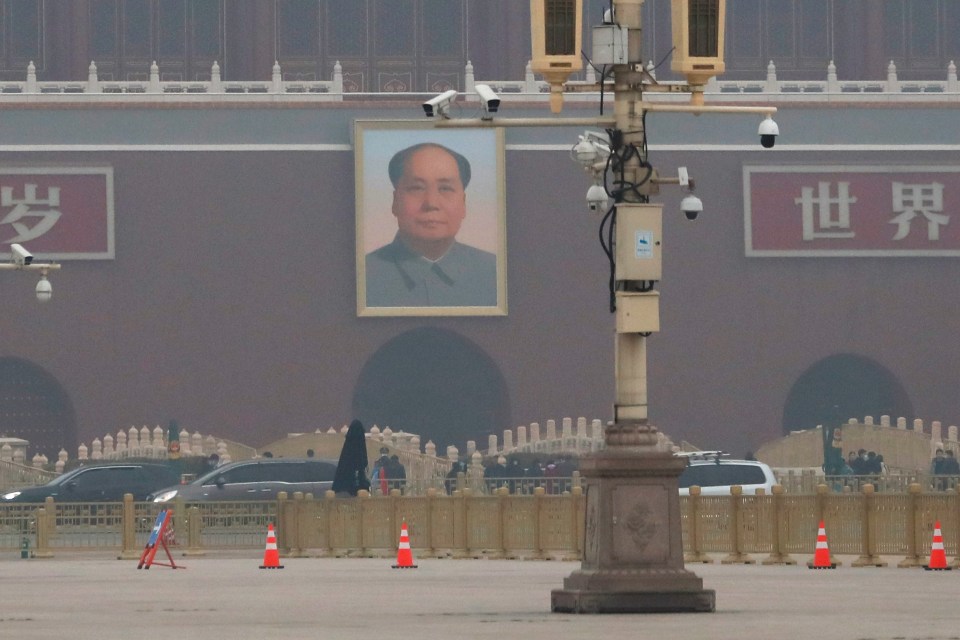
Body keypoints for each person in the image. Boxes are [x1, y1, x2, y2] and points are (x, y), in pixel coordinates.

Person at [365, 142, 497, 308]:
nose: (431, 203)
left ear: (463, 203)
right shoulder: (363, 275)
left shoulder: (496, 273)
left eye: (446, 188)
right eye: (416, 188)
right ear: (395, 201)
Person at [332, 420, 371, 497]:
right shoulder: (360, 445)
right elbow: (362, 464)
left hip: (344, 485)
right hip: (357, 484)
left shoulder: (347, 447)